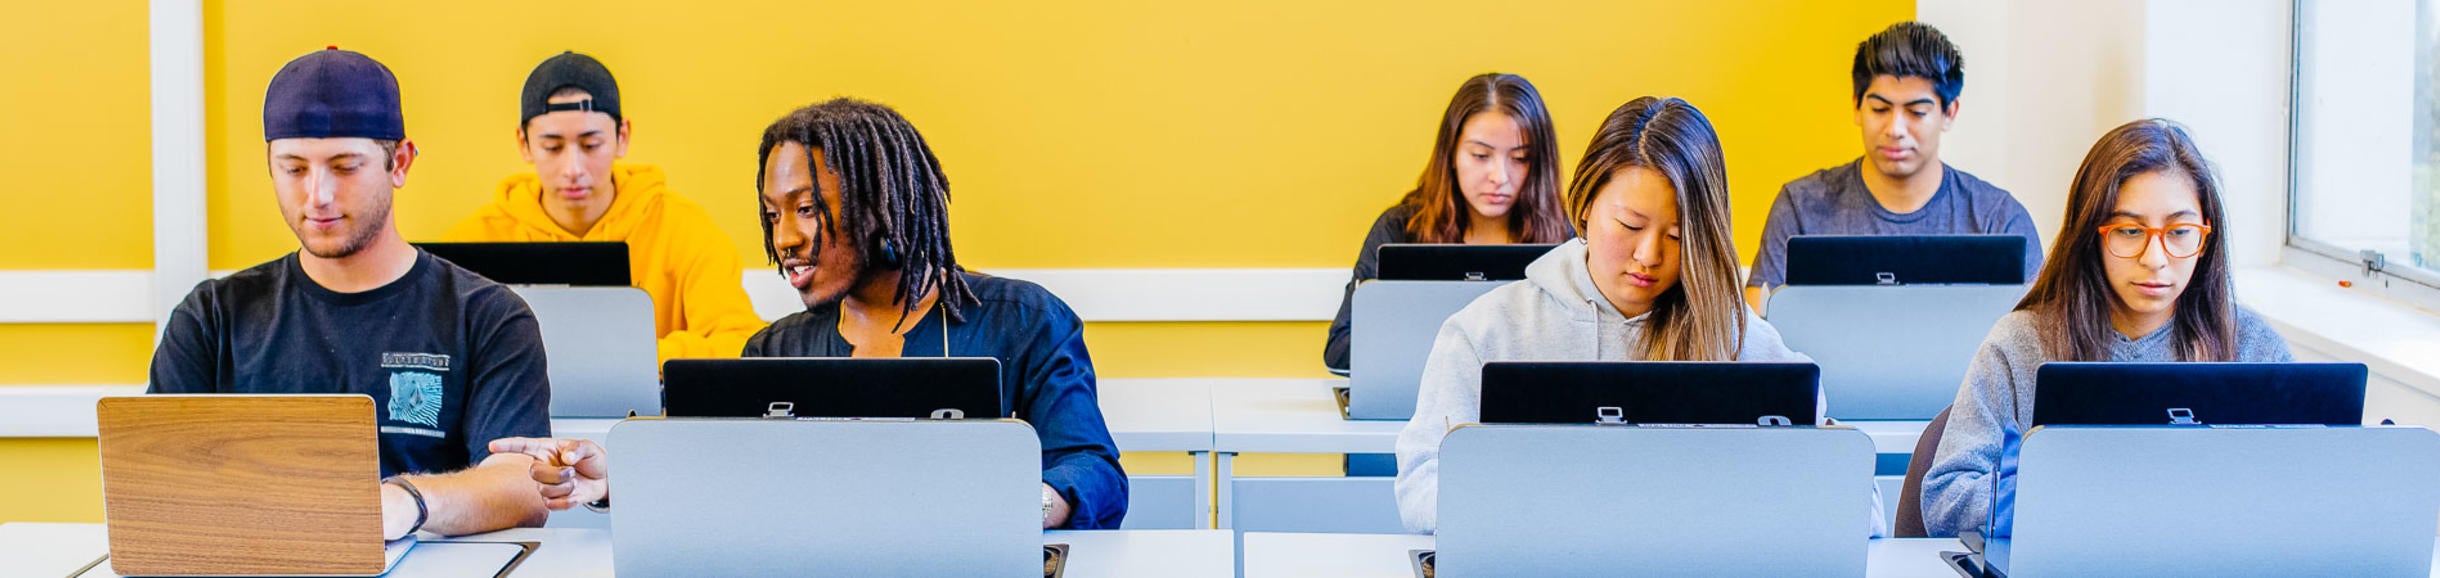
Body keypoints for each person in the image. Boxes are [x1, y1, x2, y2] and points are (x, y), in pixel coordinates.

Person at [496, 98, 1129, 529]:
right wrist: (615, 479)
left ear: (886, 204)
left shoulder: (1026, 322)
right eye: (773, 214)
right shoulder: (774, 352)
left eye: (808, 208)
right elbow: (714, 483)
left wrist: (1027, 502)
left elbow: (1093, 470)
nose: (785, 238)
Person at [1391, 96, 1881, 537]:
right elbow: (1421, 486)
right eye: (1629, 225)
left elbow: (1863, 506)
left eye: (1676, 235)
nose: (1648, 255)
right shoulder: (1486, 331)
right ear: (1583, 207)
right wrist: (1555, 516)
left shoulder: (1736, 338)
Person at [150, 47, 553, 540]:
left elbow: (521, 485)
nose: (317, 194)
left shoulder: (488, 316)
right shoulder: (211, 317)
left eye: (344, 167)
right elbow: (154, 479)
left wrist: (409, 503)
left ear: (399, 162)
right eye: (293, 168)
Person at [1919, 119, 2293, 538]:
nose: (2155, 258)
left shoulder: (2253, 348)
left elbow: (2303, 491)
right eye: (2129, 231)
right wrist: (2078, 497)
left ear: (2206, 239)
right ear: (2090, 235)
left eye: (2180, 232)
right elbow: (1946, 499)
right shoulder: (2022, 345)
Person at [444, 51, 764, 363]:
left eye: (590, 145)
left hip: (648, 416)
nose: (573, 168)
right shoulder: (476, 239)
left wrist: (633, 359)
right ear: (523, 143)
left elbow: (741, 341)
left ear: (622, 136)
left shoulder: (687, 231)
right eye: (552, 147)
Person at [1745, 21, 2042, 314]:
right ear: (1856, 106)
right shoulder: (1801, 208)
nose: (1895, 129)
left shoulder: (1998, 220)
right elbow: (1759, 332)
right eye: (1880, 109)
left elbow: (2031, 339)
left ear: (1949, 113)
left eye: (1916, 112)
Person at [1321, 73, 1574, 373]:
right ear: (1451, 154)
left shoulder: (1564, 238)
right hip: (1413, 412)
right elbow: (1339, 349)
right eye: (1481, 155)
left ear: (1539, 164)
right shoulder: (1401, 230)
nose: (1500, 177)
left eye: (1519, 158)